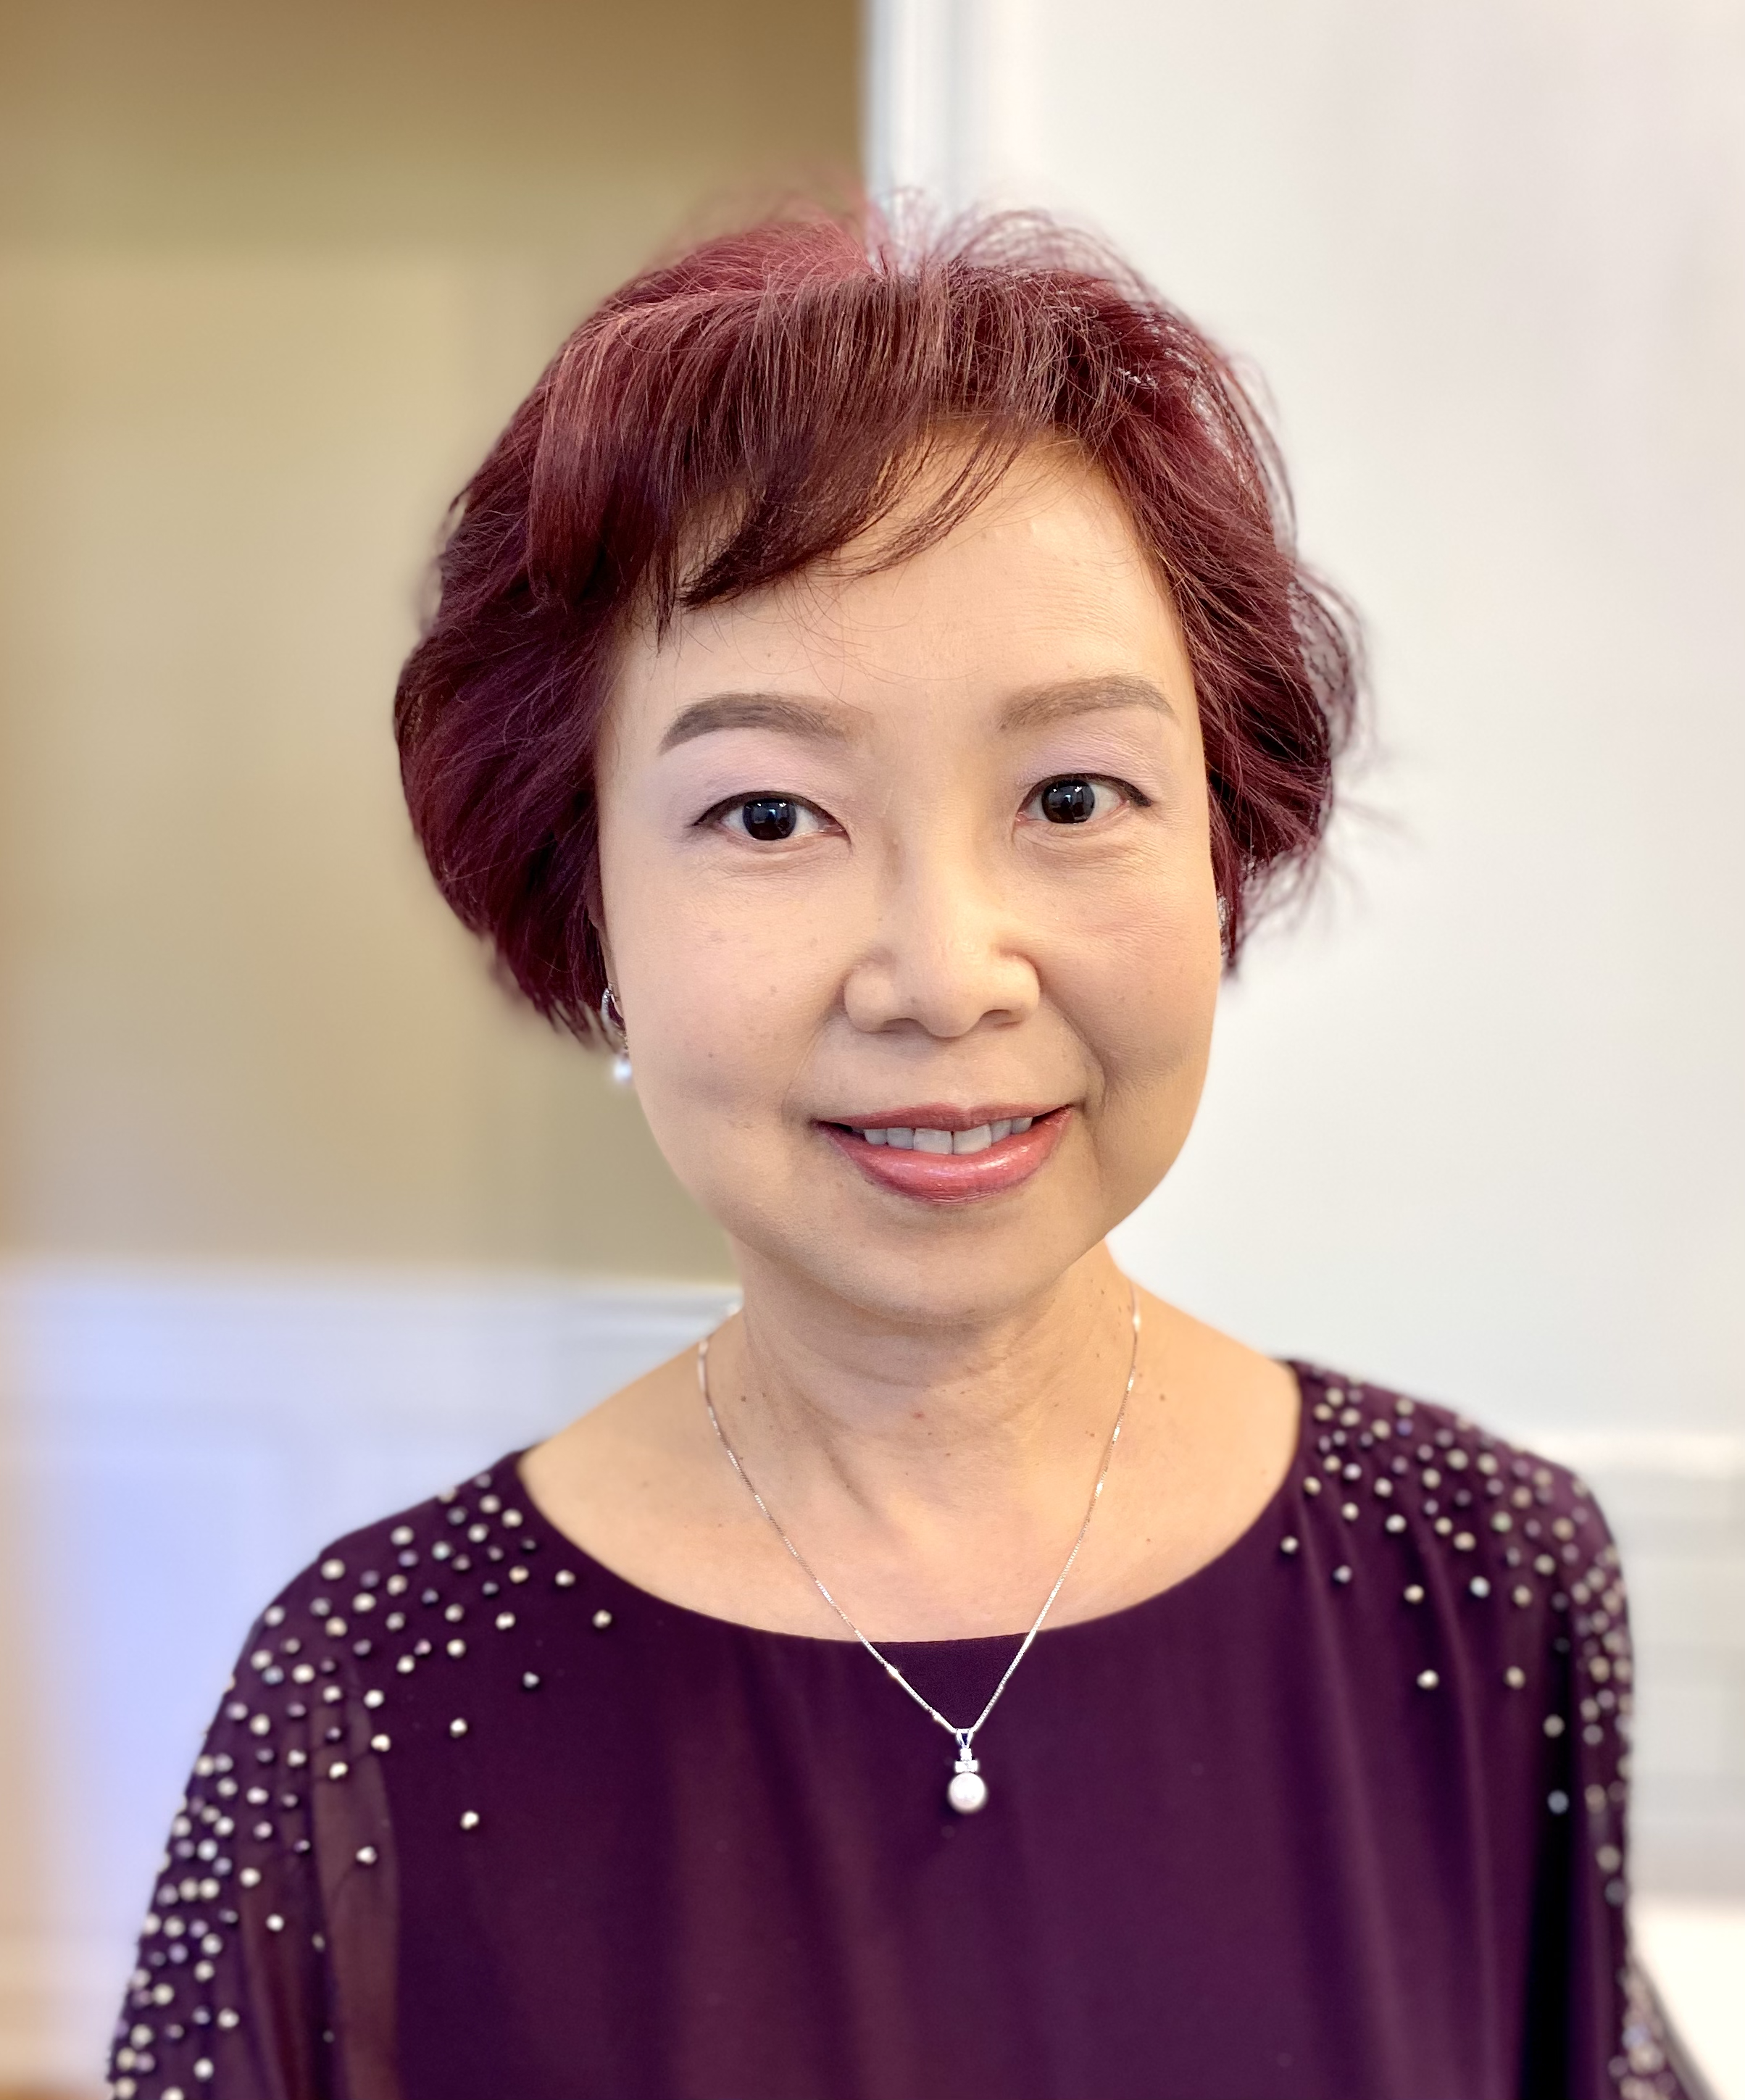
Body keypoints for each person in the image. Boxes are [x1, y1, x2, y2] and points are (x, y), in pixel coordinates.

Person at [107, 208, 1705, 2100]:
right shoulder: (370, 1698)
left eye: (1073, 794)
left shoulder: (1483, 1582)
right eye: (769, 813)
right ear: (586, 892)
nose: (946, 977)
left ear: (1221, 848)